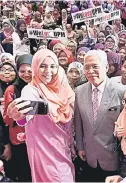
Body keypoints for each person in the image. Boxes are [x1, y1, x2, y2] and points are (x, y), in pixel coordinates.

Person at [6, 49, 75, 182]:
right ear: (35, 67)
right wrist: (19, 115)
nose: (48, 71)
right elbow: (24, 115)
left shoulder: (60, 90)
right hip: (45, 153)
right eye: (42, 66)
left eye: (52, 66)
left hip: (63, 149)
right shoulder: (31, 90)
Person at [74, 50, 126, 182]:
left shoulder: (121, 91)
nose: (90, 71)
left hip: (112, 155)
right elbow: (78, 122)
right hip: (89, 154)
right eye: (87, 67)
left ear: (106, 67)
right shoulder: (79, 91)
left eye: (95, 66)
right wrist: (80, 146)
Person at [3, 54, 32, 182]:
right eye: (22, 71)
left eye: (30, 71)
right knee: (24, 171)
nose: (26, 74)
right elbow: (6, 118)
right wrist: (17, 114)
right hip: (19, 140)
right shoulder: (11, 90)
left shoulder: (39, 87)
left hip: (37, 138)